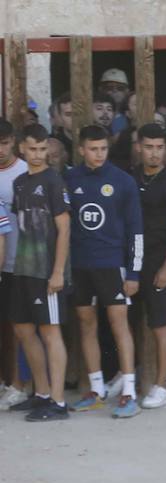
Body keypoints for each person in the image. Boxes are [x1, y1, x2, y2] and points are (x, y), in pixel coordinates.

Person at [66, 125, 144, 417]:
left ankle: (129, 392)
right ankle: (97, 388)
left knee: (118, 324)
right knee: (86, 323)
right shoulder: (70, 178)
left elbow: (136, 231)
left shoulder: (122, 182)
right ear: (82, 149)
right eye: (93, 149)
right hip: (81, 265)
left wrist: (134, 273)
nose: (98, 154)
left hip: (113, 265)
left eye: (103, 149)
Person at [7, 124, 71, 421]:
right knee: (23, 329)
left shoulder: (54, 181)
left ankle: (57, 402)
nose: (37, 154)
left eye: (42, 149)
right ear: (22, 148)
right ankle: (42, 393)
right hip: (23, 268)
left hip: (46, 270)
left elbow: (64, 228)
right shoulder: (19, 182)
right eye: (32, 149)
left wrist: (58, 272)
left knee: (50, 331)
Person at [130, 124, 166, 410]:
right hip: (130, 262)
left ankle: (160, 386)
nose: (154, 153)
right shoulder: (130, 177)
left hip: (157, 262)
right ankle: (129, 380)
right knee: (126, 323)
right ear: (139, 147)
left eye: (159, 147)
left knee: (160, 325)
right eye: (149, 146)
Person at [0, 118, 32, 409]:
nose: (0, 149)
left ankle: (18, 384)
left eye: (5, 142)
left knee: (18, 327)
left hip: (19, 264)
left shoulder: (25, 173)